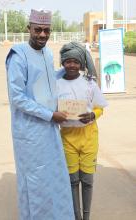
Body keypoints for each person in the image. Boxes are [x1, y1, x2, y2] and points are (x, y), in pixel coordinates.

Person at [5, 9, 75, 220]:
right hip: (30, 133)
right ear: (29, 29)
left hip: (49, 129)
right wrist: (50, 115)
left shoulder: (48, 53)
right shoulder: (18, 56)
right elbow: (17, 97)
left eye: (46, 30)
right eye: (38, 30)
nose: (42, 35)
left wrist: (67, 70)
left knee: (53, 178)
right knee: (35, 182)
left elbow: (44, 82)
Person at [57, 42, 108, 220]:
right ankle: (76, 216)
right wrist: (56, 115)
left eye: (76, 62)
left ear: (81, 63)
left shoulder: (89, 83)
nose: (71, 65)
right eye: (68, 61)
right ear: (62, 63)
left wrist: (93, 115)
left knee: (87, 180)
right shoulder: (57, 84)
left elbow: (100, 108)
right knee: (72, 181)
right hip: (67, 137)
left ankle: (86, 217)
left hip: (88, 136)